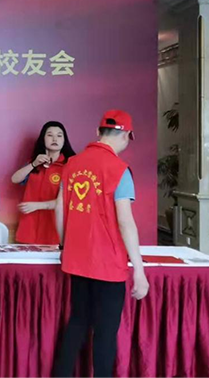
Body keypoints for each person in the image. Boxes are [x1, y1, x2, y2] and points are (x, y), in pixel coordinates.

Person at [53, 110, 150, 378]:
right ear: (127, 136)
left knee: (77, 322)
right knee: (105, 333)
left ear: (98, 132)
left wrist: (64, 246)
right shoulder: (119, 170)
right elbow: (125, 222)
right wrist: (139, 270)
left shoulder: (72, 164)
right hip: (108, 263)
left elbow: (59, 209)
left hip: (77, 260)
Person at [11, 121, 76, 244]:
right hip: (29, 227)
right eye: (50, 135)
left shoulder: (70, 165)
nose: (55, 139)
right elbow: (15, 179)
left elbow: (69, 200)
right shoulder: (35, 163)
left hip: (54, 229)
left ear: (64, 140)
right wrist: (34, 164)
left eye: (59, 135)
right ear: (43, 139)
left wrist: (37, 206)